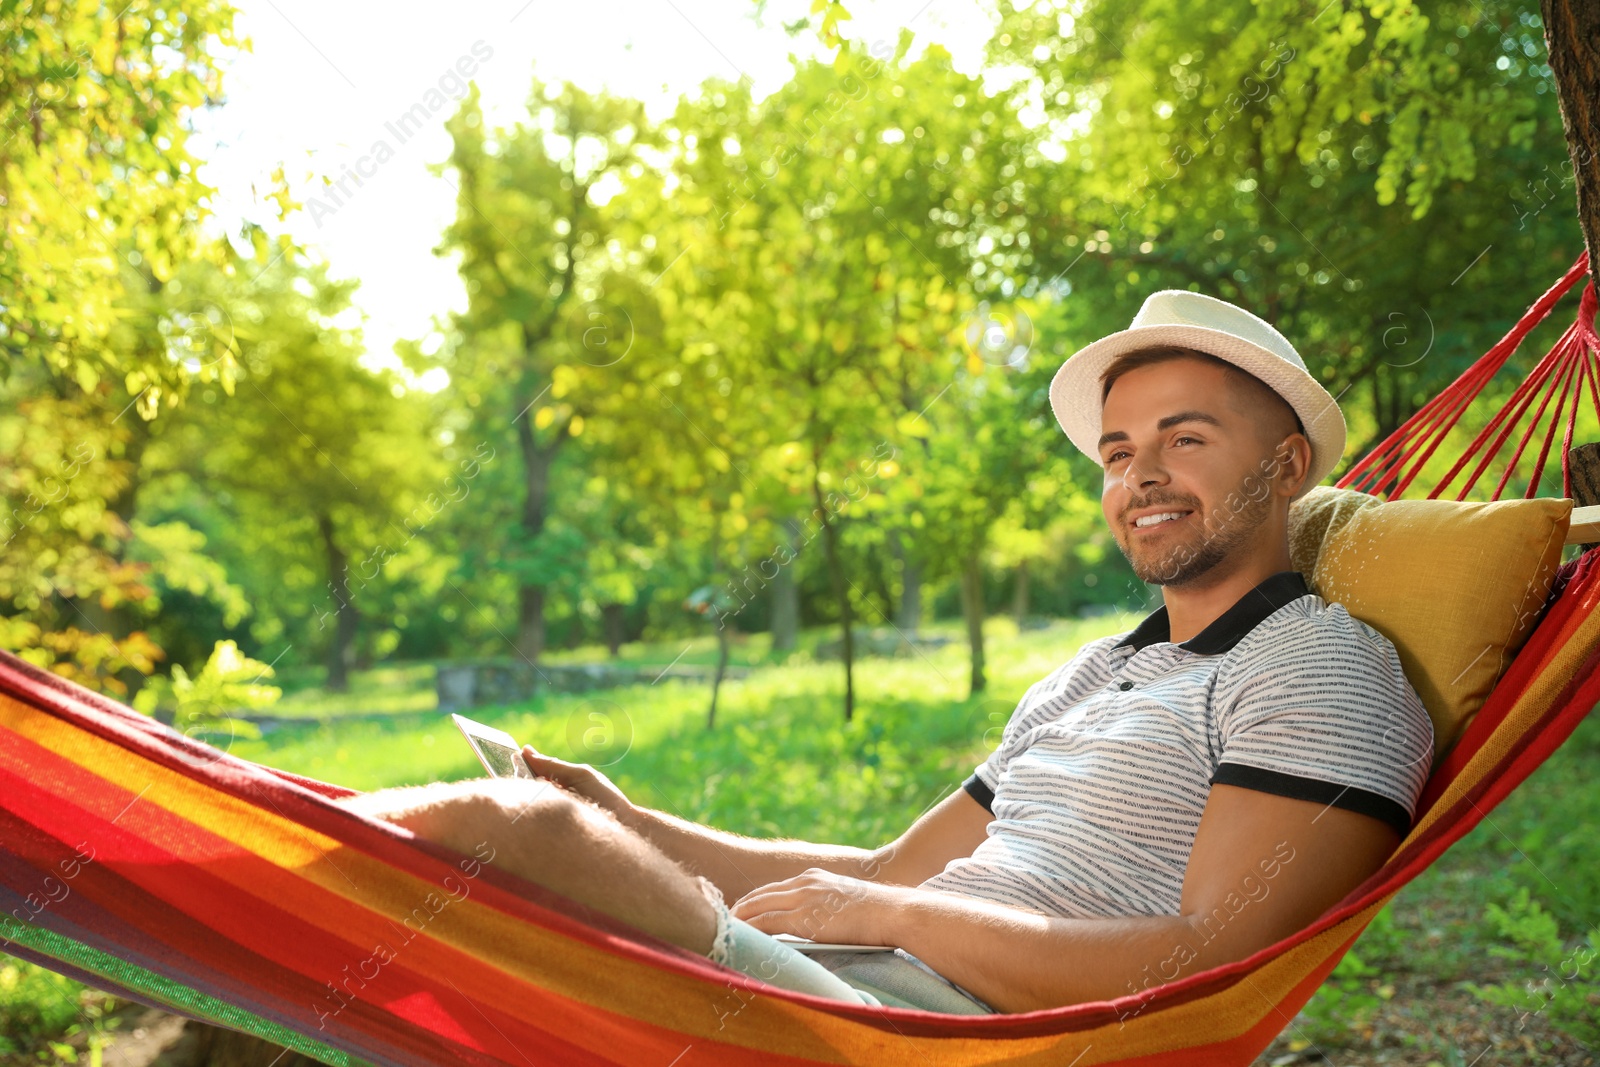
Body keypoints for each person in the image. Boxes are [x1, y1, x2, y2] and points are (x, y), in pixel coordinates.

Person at [336, 290, 1434, 1017]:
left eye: (1184, 439)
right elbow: (875, 873)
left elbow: (1201, 966)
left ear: (1286, 463)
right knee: (532, 847)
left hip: (946, 1031)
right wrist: (626, 818)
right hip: (857, 978)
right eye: (1117, 451)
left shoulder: (1319, 670)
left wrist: (890, 920)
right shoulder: (1091, 673)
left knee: (506, 837)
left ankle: (186, 870)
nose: (1138, 475)